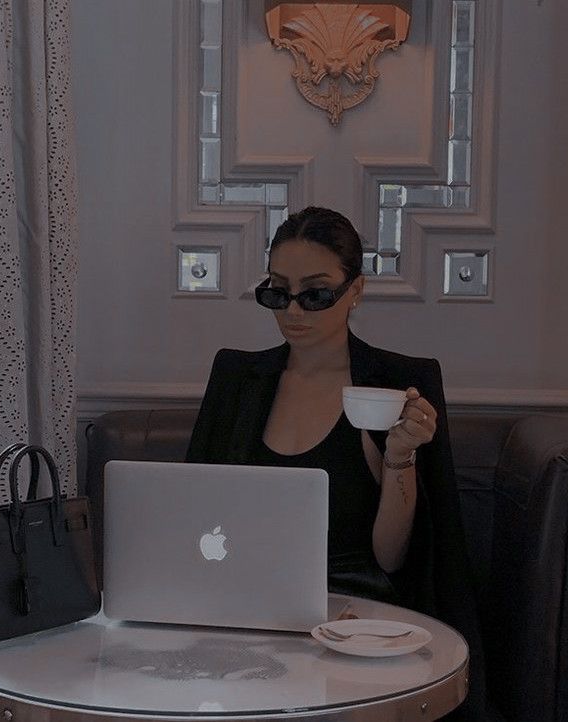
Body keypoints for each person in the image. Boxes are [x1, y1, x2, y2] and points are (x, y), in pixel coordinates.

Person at [186, 206, 490, 721]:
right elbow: (195, 519)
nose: (294, 311)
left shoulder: (396, 385)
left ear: (356, 290)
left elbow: (395, 560)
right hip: (248, 616)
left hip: (358, 621)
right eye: (278, 292)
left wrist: (401, 457)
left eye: (317, 293)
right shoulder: (237, 379)